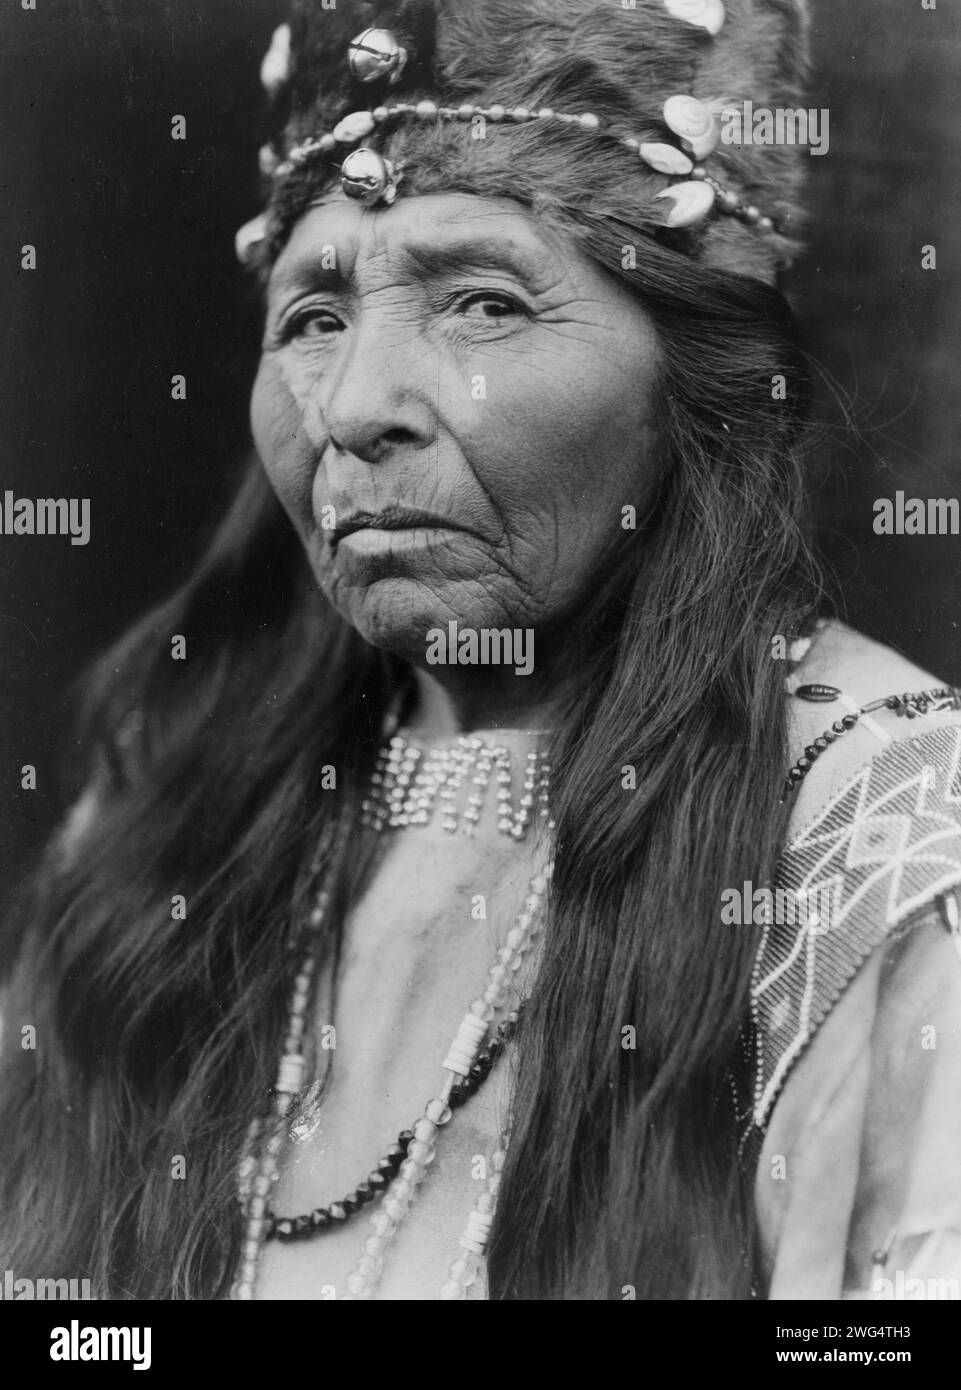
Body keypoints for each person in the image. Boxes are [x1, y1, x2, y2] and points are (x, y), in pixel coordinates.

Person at [2, 0, 960, 1302]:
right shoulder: (165, 798)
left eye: (483, 303)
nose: (353, 411)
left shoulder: (885, 840)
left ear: (704, 379)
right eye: (315, 313)